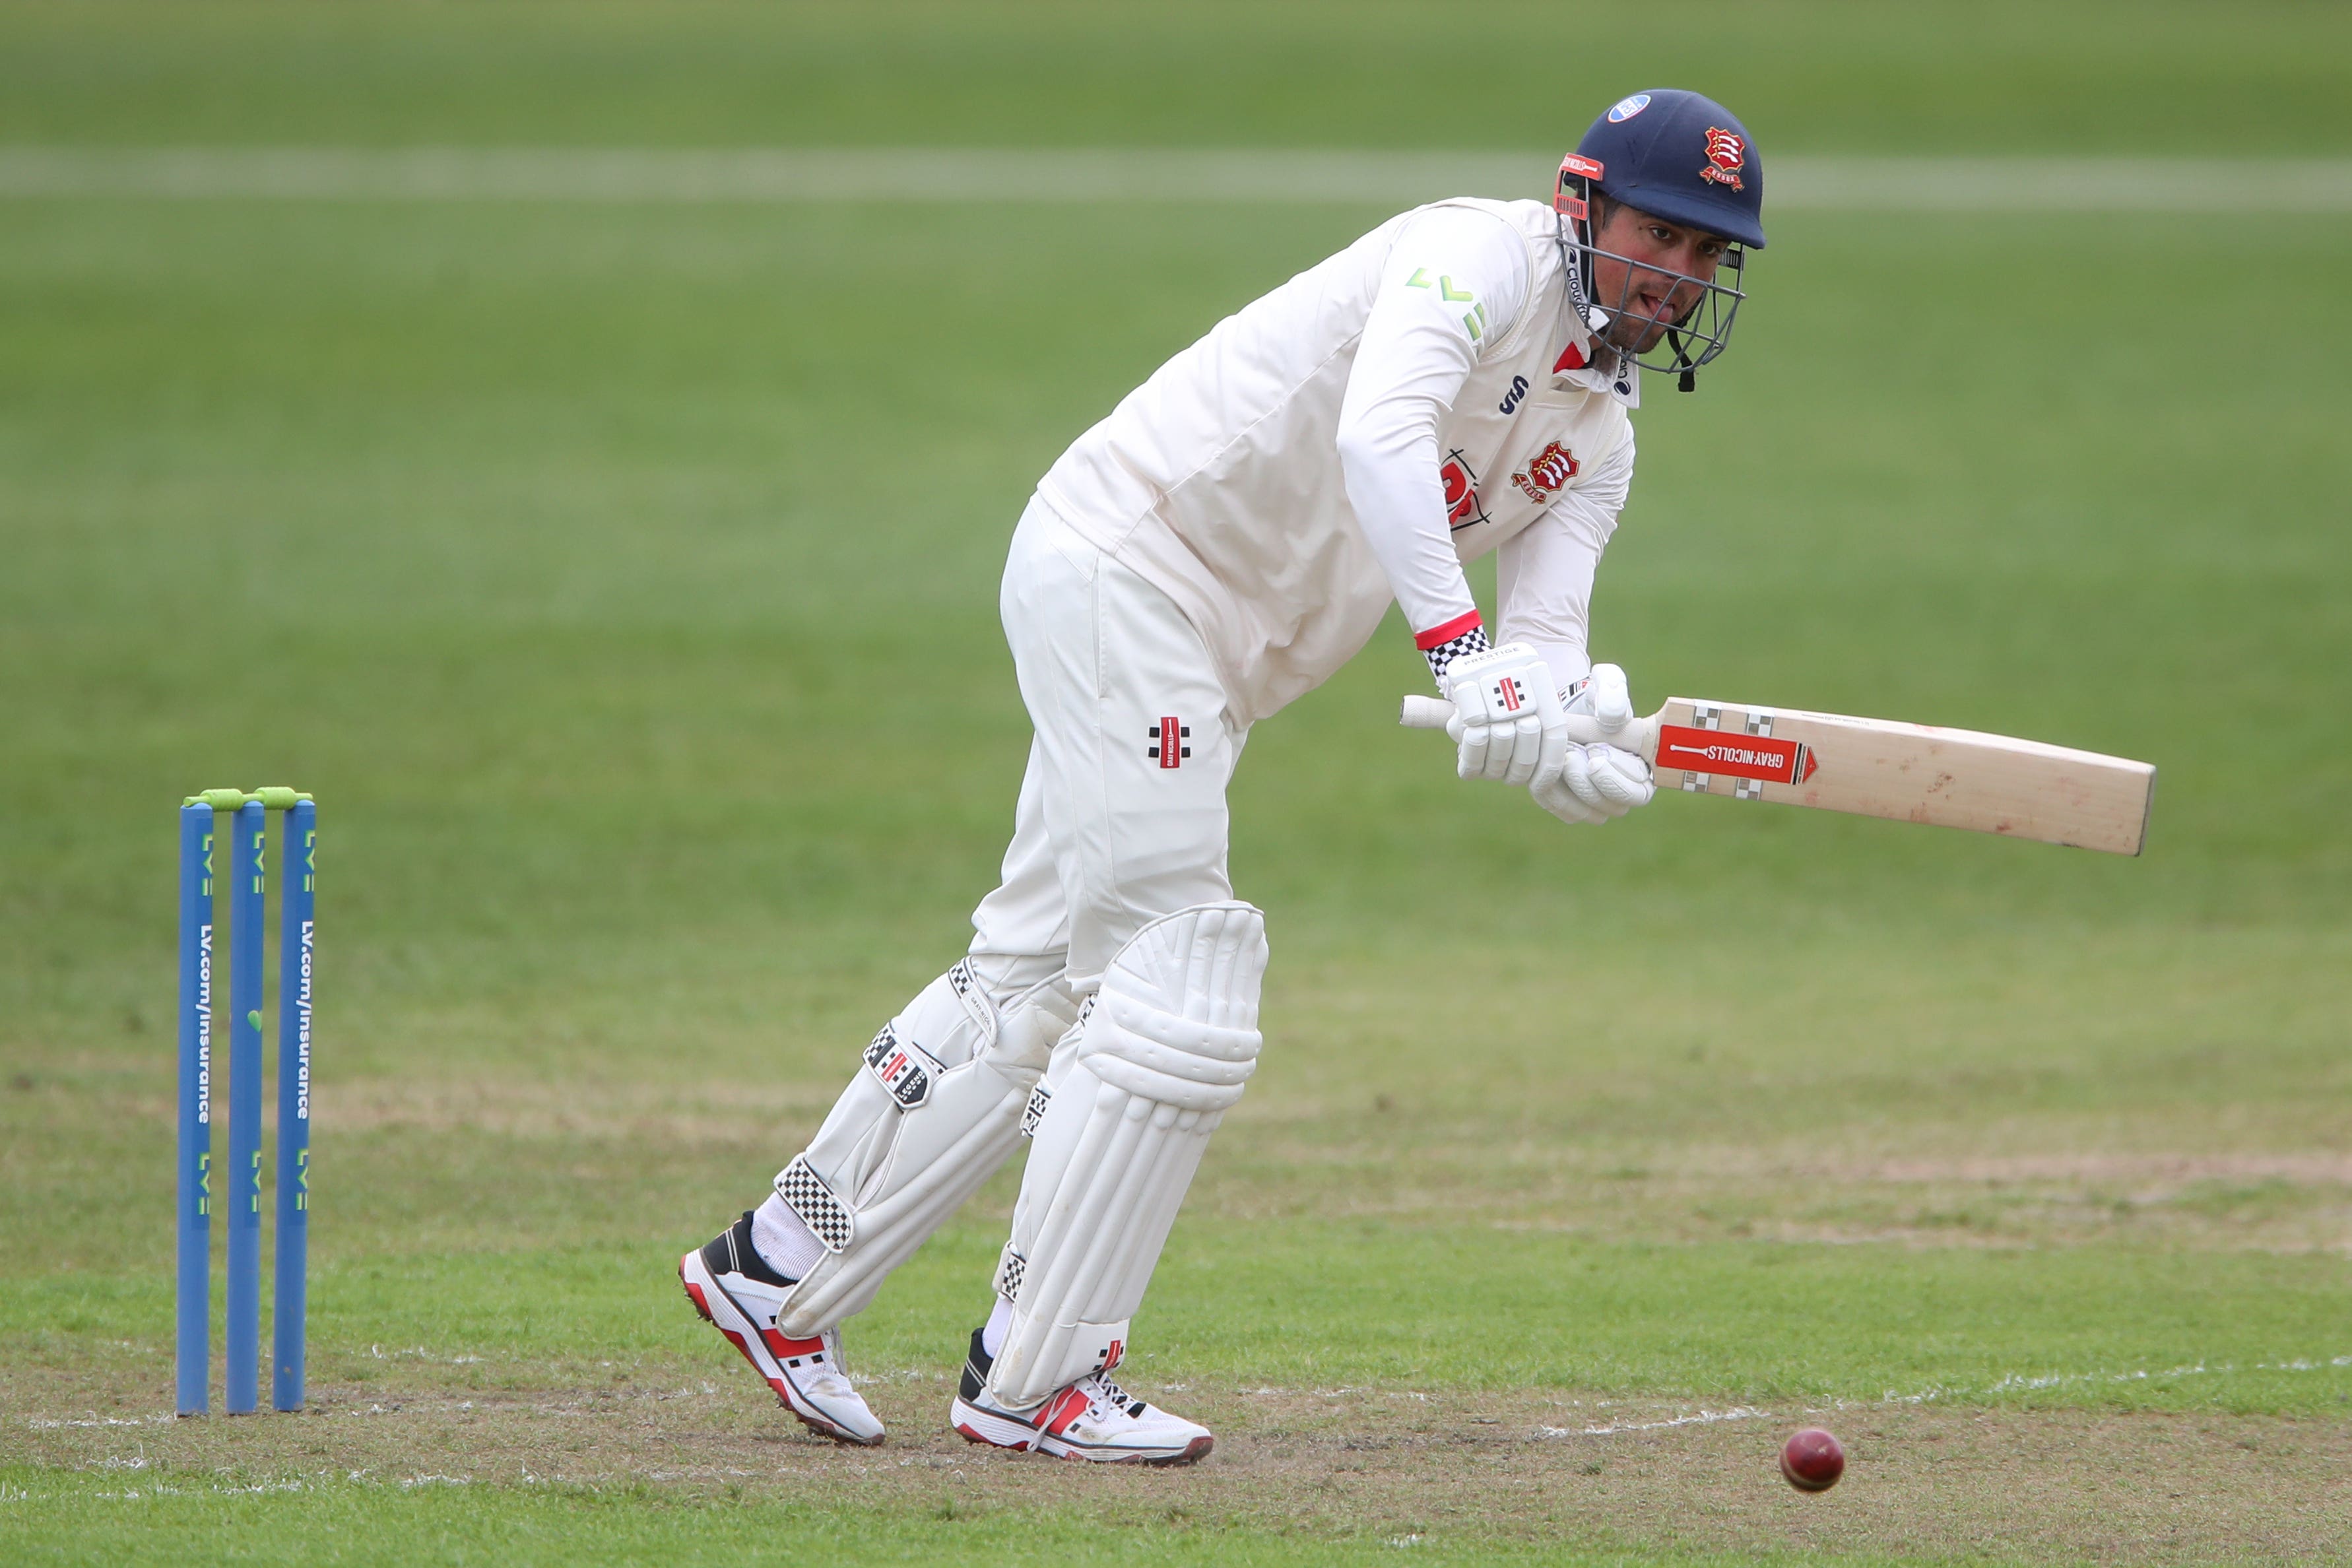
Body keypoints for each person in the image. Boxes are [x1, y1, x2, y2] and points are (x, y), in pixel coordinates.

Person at [679, 88, 1767, 1464]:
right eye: (1661, 235)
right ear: (1583, 208)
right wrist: (1458, 654)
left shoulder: (1598, 441)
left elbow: (1543, 650)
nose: (1679, 276)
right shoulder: (1469, 256)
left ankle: (777, 1265)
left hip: (1207, 661)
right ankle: (1035, 1378)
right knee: (1180, 967)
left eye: (1709, 255)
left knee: (1039, 974)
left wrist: (1567, 736)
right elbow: (1381, 438)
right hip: (1132, 568)